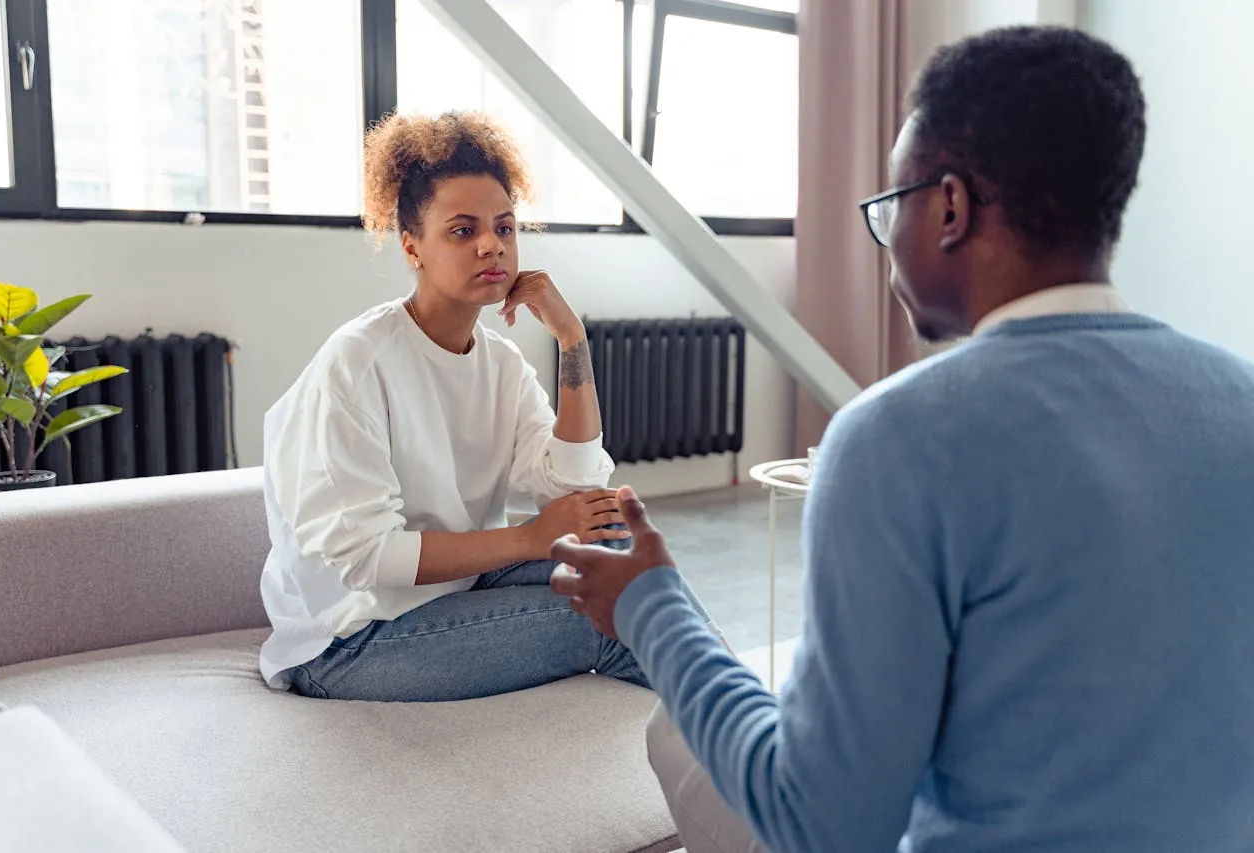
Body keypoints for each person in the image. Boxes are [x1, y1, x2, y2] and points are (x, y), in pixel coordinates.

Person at [550, 25, 1254, 853]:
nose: (885, 244)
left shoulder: (898, 437)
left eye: (890, 208)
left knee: (678, 732)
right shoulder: (1237, 397)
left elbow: (824, 826)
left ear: (949, 207)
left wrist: (651, 605)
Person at [255, 110, 652, 701]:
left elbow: (574, 481)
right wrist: (528, 538)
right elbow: (371, 559)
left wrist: (573, 339)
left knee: (628, 554)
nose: (492, 244)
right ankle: (755, 759)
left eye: (506, 227)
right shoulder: (358, 362)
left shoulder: (500, 362)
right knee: (612, 619)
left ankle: (771, 739)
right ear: (413, 248)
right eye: (463, 231)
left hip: (456, 591)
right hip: (350, 638)